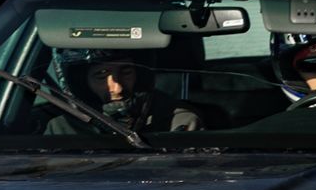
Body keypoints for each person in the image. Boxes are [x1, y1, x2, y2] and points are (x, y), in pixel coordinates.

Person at [42, 48, 200, 135]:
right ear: (83, 83)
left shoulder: (180, 120)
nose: (117, 88)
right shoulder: (62, 129)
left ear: (139, 75)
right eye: (101, 75)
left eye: (126, 72)